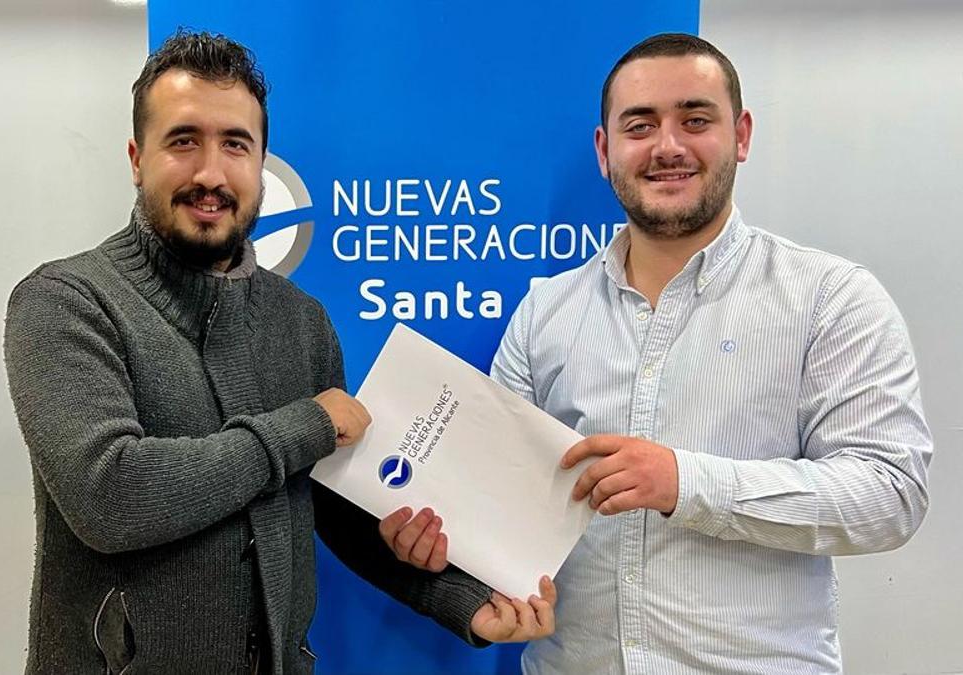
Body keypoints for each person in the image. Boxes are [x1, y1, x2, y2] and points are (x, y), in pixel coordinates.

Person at [4, 30, 553, 675]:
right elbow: (112, 497)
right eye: (183, 141)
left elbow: (333, 509)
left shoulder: (302, 322)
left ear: (261, 162)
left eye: (235, 144)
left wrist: (459, 600)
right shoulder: (65, 301)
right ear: (136, 157)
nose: (211, 173)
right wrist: (308, 424)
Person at [384, 33, 932, 673]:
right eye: (640, 126)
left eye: (695, 120)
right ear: (604, 150)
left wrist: (685, 482)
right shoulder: (544, 313)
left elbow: (891, 496)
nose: (668, 146)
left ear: (742, 135)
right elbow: (499, 500)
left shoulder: (830, 299)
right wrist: (446, 549)